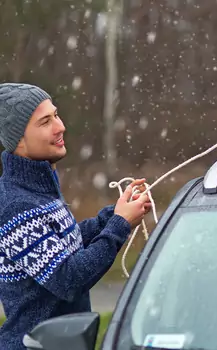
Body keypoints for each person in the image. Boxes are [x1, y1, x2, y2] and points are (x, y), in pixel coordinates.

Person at [0, 83, 152, 349]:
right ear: (18, 140)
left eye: (56, 115)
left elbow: (65, 243)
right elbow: (69, 279)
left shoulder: (38, 187)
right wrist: (120, 225)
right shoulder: (15, 205)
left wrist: (112, 215)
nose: (60, 127)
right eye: (45, 121)